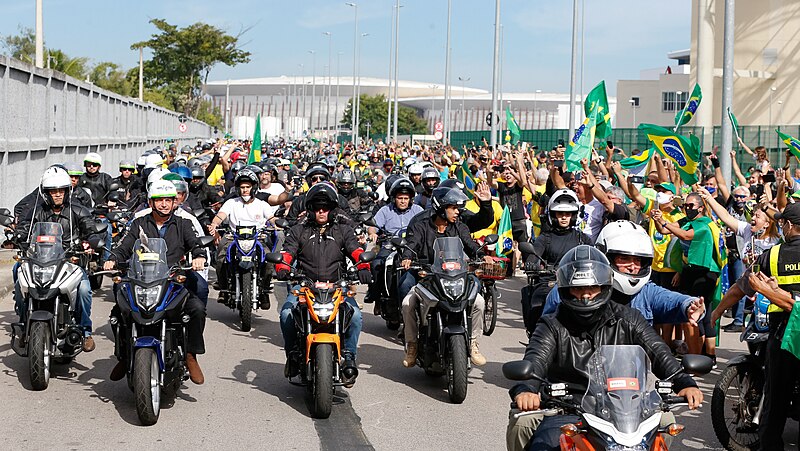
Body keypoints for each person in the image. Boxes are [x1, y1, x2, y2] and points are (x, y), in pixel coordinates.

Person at [509, 245, 703, 451]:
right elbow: (535, 360)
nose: (585, 296)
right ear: (566, 290)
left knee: (664, 427)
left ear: (604, 287)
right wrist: (527, 389)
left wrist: (683, 381)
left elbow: (659, 353)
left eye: (591, 289)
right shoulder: (552, 324)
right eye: (578, 289)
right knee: (544, 445)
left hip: (625, 412)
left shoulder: (628, 319)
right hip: (567, 410)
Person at [709, 202, 800, 451]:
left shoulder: (771, 255)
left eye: (782, 223)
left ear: (789, 226)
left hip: (784, 335)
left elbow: (741, 286)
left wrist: (717, 312)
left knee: (776, 399)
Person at [103, 180, 208, 384]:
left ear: (175, 202)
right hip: (142, 278)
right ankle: (124, 355)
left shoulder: (183, 224)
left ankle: (190, 355)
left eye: (168, 200)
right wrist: (113, 258)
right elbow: (124, 245)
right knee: (120, 312)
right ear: (151, 202)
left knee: (196, 309)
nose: (164, 205)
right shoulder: (139, 223)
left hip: (173, 280)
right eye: (159, 200)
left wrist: (199, 256)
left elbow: (196, 244)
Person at [275, 183, 371, 386]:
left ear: (332, 209)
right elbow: (287, 253)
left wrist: (364, 267)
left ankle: (349, 357)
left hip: (337, 286)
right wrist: (283, 267)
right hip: (304, 286)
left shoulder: (343, 231)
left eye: (325, 207)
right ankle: (293, 355)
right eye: (317, 207)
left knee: (355, 316)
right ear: (310, 208)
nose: (321, 211)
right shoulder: (298, 230)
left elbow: (355, 251)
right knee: (286, 314)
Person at [399, 185, 494, 367]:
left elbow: (470, 245)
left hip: (456, 278)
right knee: (407, 303)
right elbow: (411, 244)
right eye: (454, 208)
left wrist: (482, 256)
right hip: (428, 279)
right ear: (441, 207)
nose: (458, 212)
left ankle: (474, 344)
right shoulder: (421, 227)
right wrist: (407, 257)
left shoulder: (459, 227)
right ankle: (412, 345)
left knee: (479, 302)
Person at [543, 220, 705, 327]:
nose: (632, 266)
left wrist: (690, 306)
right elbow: (545, 332)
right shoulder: (569, 289)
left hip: (630, 373)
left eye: (638, 260)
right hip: (580, 373)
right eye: (624, 258)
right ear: (605, 255)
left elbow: (671, 300)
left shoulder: (645, 293)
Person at [15, 166, 101, 352]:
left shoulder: (78, 211)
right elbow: (24, 227)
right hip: (40, 261)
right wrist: (18, 236)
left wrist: (92, 241)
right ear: (46, 193)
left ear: (67, 191)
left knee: (85, 289)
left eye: (61, 190)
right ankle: (23, 325)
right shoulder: (36, 212)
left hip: (70, 262)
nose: (57, 195)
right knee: (18, 278)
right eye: (53, 191)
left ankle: (85, 331)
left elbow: (91, 230)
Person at [654, 192, 721, 360]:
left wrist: (664, 222)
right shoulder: (686, 221)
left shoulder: (704, 224)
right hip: (690, 270)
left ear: (700, 207)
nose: (687, 208)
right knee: (691, 314)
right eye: (685, 205)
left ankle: (705, 356)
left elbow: (684, 235)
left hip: (706, 272)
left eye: (691, 206)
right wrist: (657, 219)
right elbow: (663, 230)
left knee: (699, 314)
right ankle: (700, 355)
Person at [522, 189, 592, 333]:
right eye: (560, 214)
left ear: (574, 215)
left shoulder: (582, 238)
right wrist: (531, 263)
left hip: (576, 282)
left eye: (568, 214)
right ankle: (537, 335)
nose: (564, 217)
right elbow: (534, 254)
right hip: (550, 281)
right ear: (553, 215)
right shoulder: (545, 238)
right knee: (537, 303)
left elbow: (594, 255)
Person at [208, 169, 276, 309]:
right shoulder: (232, 202)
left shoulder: (261, 204)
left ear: (254, 187)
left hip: (258, 238)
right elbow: (221, 215)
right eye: (242, 187)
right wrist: (214, 224)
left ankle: (264, 291)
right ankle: (223, 288)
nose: (245, 190)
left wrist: (277, 224)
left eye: (248, 187)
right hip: (233, 238)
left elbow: (271, 218)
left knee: (269, 261)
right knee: (220, 257)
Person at [365, 177, 423, 310]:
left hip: (411, 246)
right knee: (376, 264)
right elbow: (373, 226)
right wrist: (372, 233)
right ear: (394, 198)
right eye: (400, 198)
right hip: (389, 246)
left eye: (405, 198)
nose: (403, 201)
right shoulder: (386, 210)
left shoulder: (418, 210)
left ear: (410, 199)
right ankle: (378, 296)